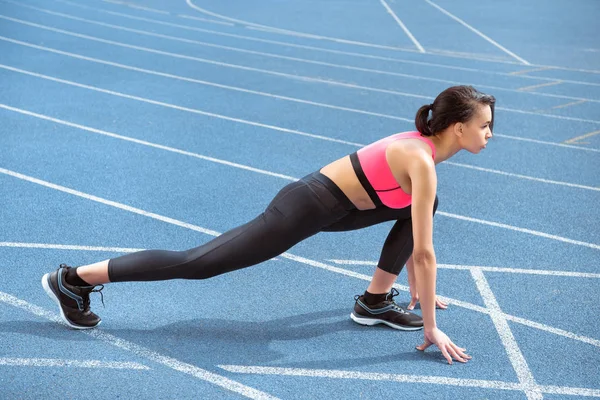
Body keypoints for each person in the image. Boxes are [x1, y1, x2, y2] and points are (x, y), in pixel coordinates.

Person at [42, 85, 494, 365]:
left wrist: (420, 288)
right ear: (457, 127)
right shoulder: (420, 159)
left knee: (425, 205)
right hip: (306, 206)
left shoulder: (426, 158)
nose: (489, 133)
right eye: (484, 126)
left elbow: (417, 229)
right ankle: (73, 278)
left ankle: (374, 303)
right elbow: (424, 253)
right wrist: (431, 324)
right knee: (199, 263)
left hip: (339, 209)